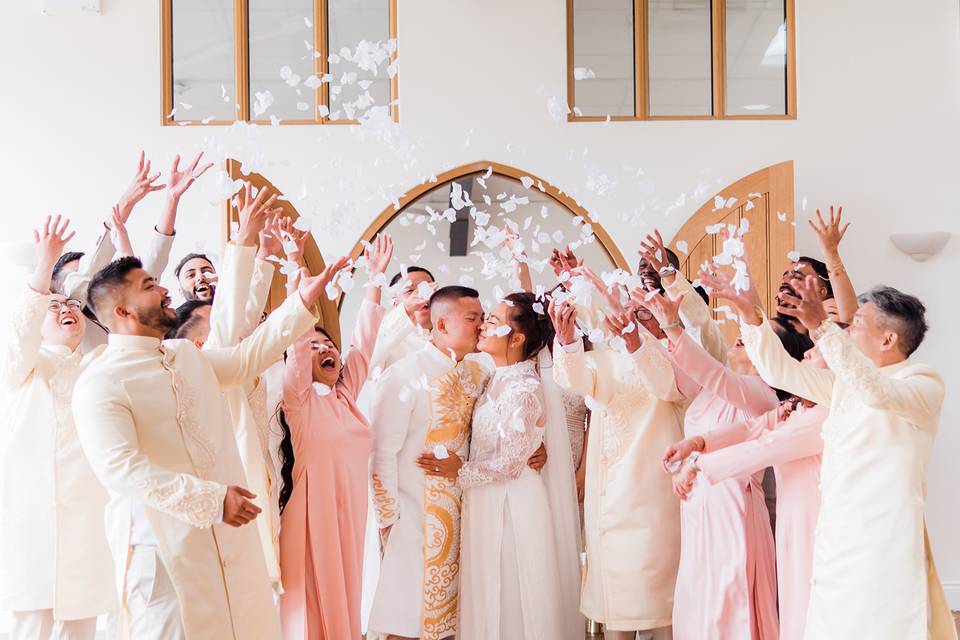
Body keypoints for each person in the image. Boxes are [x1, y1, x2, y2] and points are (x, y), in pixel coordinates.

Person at [71, 250, 344, 639]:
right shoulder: (99, 382)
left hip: (228, 538)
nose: (165, 290)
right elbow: (120, 468)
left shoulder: (184, 355)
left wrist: (300, 302)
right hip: (162, 550)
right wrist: (212, 500)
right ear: (123, 313)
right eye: (149, 286)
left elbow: (246, 360)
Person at [744, 276, 955, 639]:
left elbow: (877, 392)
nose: (846, 330)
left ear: (888, 340)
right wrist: (749, 314)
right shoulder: (845, 384)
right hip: (835, 537)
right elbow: (780, 372)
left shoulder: (923, 382)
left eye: (856, 324)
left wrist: (819, 327)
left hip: (882, 541)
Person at [644, 283, 813, 640]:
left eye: (759, 338)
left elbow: (716, 377)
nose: (743, 338)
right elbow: (688, 381)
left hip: (733, 507)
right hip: (696, 503)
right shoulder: (711, 392)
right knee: (697, 594)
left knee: (726, 600)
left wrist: (673, 326)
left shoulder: (762, 394)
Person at [419, 292, 580, 640]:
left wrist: (457, 471)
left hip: (512, 502)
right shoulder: (492, 374)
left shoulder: (523, 388)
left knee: (511, 587)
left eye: (492, 320)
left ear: (517, 338)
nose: (484, 325)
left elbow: (509, 464)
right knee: (486, 588)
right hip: (484, 500)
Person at [0, 217, 115, 640]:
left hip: (87, 524)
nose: (67, 309)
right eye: (55, 307)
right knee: (31, 626)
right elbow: (19, 336)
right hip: (34, 524)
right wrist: (44, 268)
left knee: (82, 627)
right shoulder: (22, 369)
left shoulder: (98, 369)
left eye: (70, 306)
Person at [276, 234, 393, 639]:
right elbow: (295, 340)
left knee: (347, 597)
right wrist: (297, 271)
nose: (327, 350)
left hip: (350, 513)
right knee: (310, 606)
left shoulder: (346, 396)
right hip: (311, 513)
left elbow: (363, 343)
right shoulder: (299, 402)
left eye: (330, 345)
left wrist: (375, 279)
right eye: (316, 346)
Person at [549, 293, 684, 640]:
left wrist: (639, 345)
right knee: (616, 597)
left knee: (657, 593)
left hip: (655, 487)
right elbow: (576, 381)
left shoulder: (676, 355)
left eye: (646, 312)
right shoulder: (608, 358)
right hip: (610, 489)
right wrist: (566, 343)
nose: (637, 319)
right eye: (632, 312)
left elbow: (668, 387)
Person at [173, 188, 287, 592]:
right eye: (193, 274)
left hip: (260, 472)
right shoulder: (196, 361)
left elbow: (242, 314)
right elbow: (228, 324)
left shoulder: (232, 354)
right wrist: (245, 243)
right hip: (222, 485)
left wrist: (265, 256)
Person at [367, 285, 488, 640]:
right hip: (412, 516)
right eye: (472, 318)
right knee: (406, 619)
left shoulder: (480, 373)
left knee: (454, 621)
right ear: (441, 324)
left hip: (464, 514)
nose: (481, 326)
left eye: (483, 318)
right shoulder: (404, 374)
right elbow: (381, 452)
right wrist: (388, 519)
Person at [52, 151, 213, 352]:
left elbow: (155, 259)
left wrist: (171, 199)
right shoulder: (70, 327)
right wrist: (126, 202)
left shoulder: (132, 304)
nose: (93, 278)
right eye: (77, 276)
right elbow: (97, 259)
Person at [368, 265, 435, 374]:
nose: (422, 295)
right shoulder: (383, 339)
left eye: (428, 289)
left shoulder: (455, 338)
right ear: (394, 301)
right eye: (410, 291)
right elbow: (363, 367)